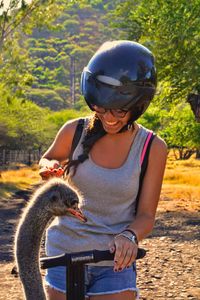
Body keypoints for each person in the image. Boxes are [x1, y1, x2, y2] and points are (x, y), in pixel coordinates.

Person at [39, 40, 167, 300]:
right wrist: (48, 167)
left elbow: (146, 216)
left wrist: (129, 236)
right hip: (63, 252)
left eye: (120, 111)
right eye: (101, 108)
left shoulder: (153, 147)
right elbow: (47, 159)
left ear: (138, 106)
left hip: (114, 261)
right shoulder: (73, 131)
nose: (109, 118)